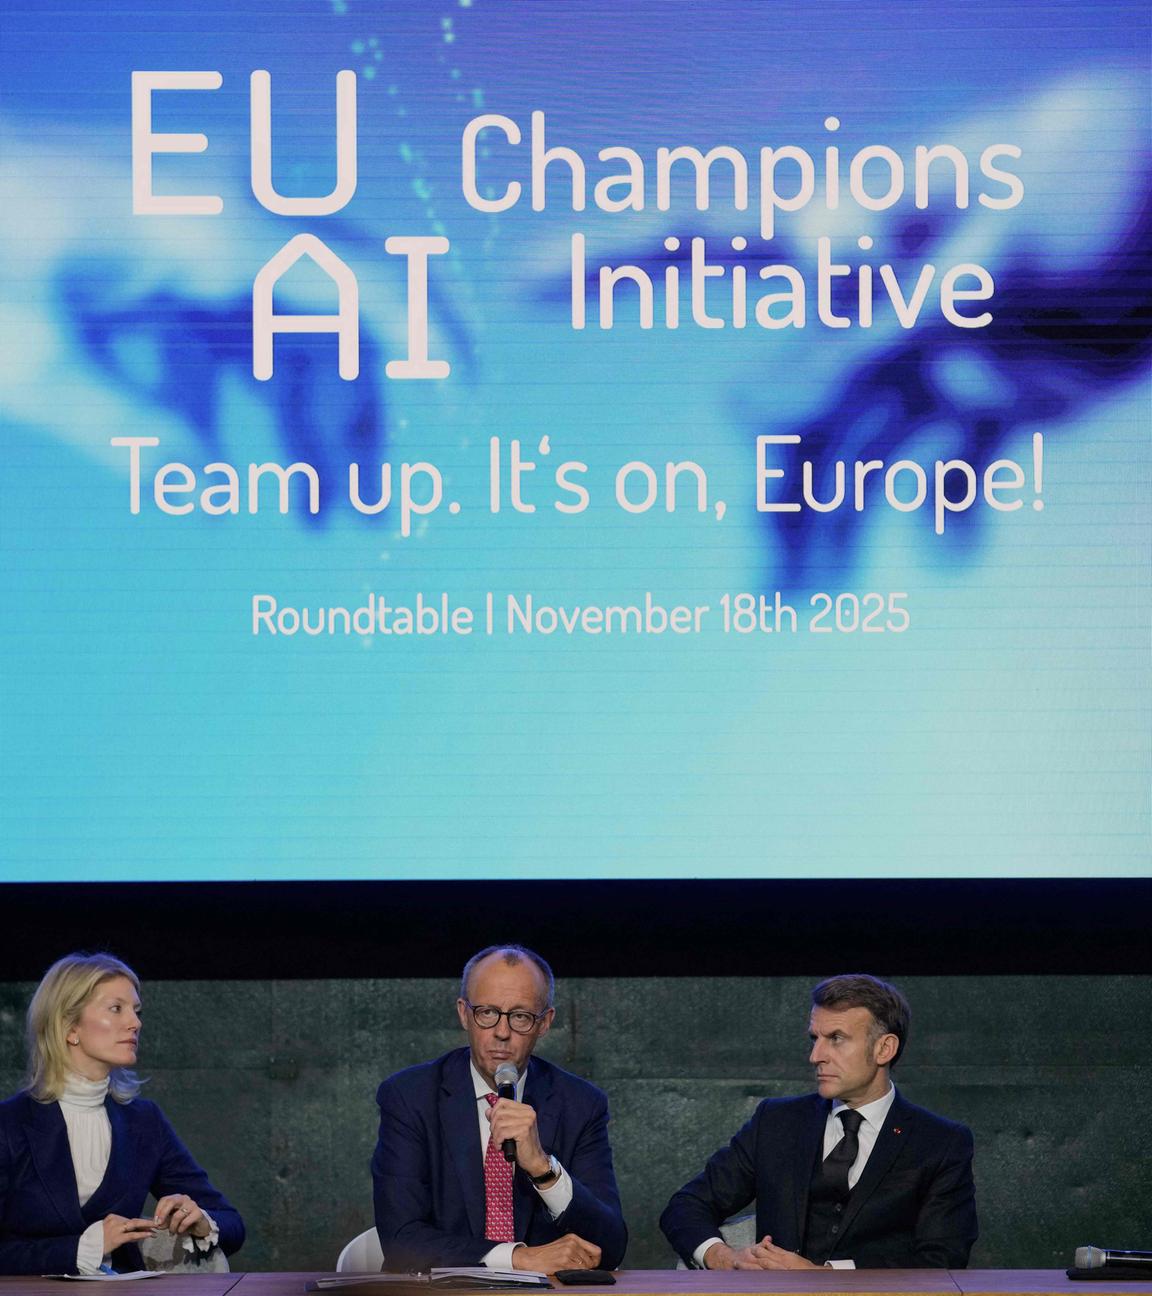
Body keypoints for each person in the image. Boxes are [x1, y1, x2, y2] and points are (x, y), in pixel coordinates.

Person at [660, 973, 977, 1270]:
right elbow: (686, 1205)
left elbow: (942, 1262)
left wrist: (824, 1275)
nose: (816, 1055)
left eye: (836, 1038)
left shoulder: (940, 1143)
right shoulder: (777, 1123)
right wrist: (724, 1258)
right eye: (815, 1038)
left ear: (884, 1048)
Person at [372, 944, 627, 1272]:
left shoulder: (580, 1104)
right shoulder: (410, 1097)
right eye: (487, 1013)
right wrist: (516, 1258)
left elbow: (610, 1246)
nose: (502, 1032)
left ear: (544, 1023)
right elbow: (401, 1240)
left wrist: (543, 1168)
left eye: (520, 1016)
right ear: (464, 1014)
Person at [0, 953, 244, 1276]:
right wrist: (80, 1250)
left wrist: (201, 1222)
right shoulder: (10, 1123)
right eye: (117, 1008)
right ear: (69, 1028)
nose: (135, 1022)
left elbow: (232, 1223)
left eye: (136, 1011)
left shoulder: (144, 1122)